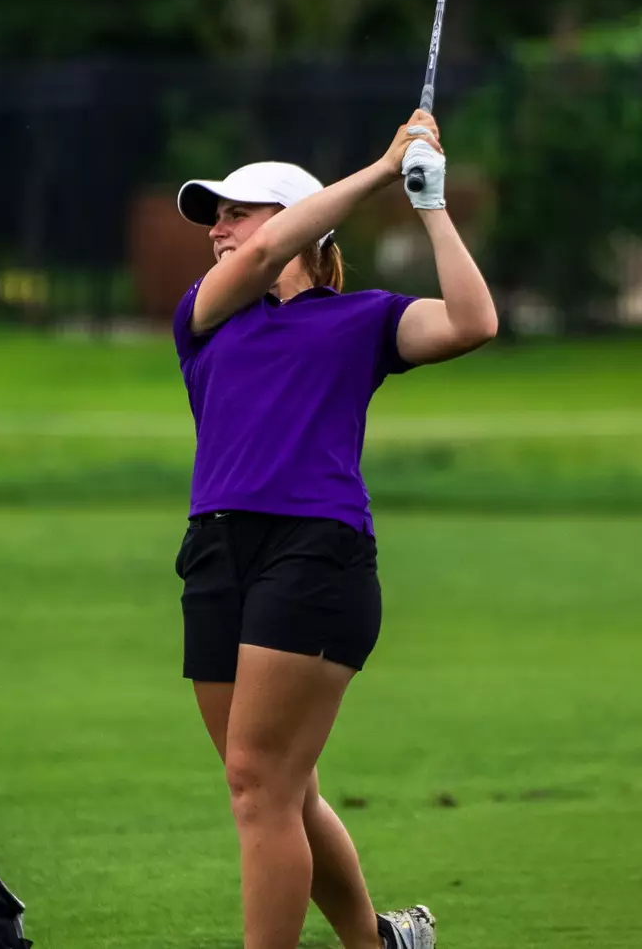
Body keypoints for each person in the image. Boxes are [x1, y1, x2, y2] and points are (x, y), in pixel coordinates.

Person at [171, 109, 498, 949]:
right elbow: (261, 258)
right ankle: (377, 944)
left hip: (316, 553)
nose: (219, 228)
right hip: (216, 552)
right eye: (214, 214)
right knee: (280, 787)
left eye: (236, 210)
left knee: (259, 784)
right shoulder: (206, 318)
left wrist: (427, 202)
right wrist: (381, 167)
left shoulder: (363, 320)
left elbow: (472, 322)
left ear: (294, 222)